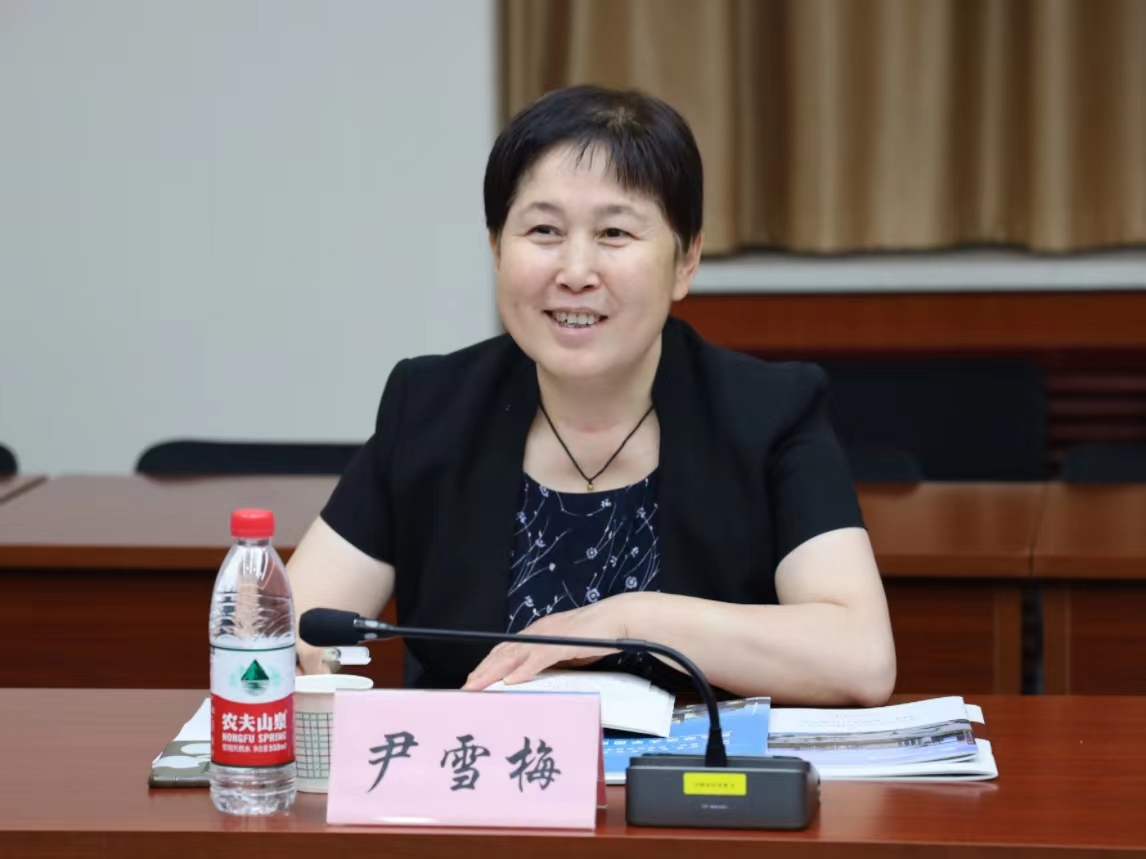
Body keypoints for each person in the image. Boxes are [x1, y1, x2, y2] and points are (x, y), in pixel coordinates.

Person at [287, 84, 896, 705]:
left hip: (695, 770)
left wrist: (632, 622)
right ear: (497, 250)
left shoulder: (770, 412)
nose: (575, 272)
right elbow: (292, 629)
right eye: (544, 230)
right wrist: (301, 663)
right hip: (482, 766)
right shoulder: (431, 406)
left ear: (686, 261)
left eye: (614, 233)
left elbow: (860, 660)